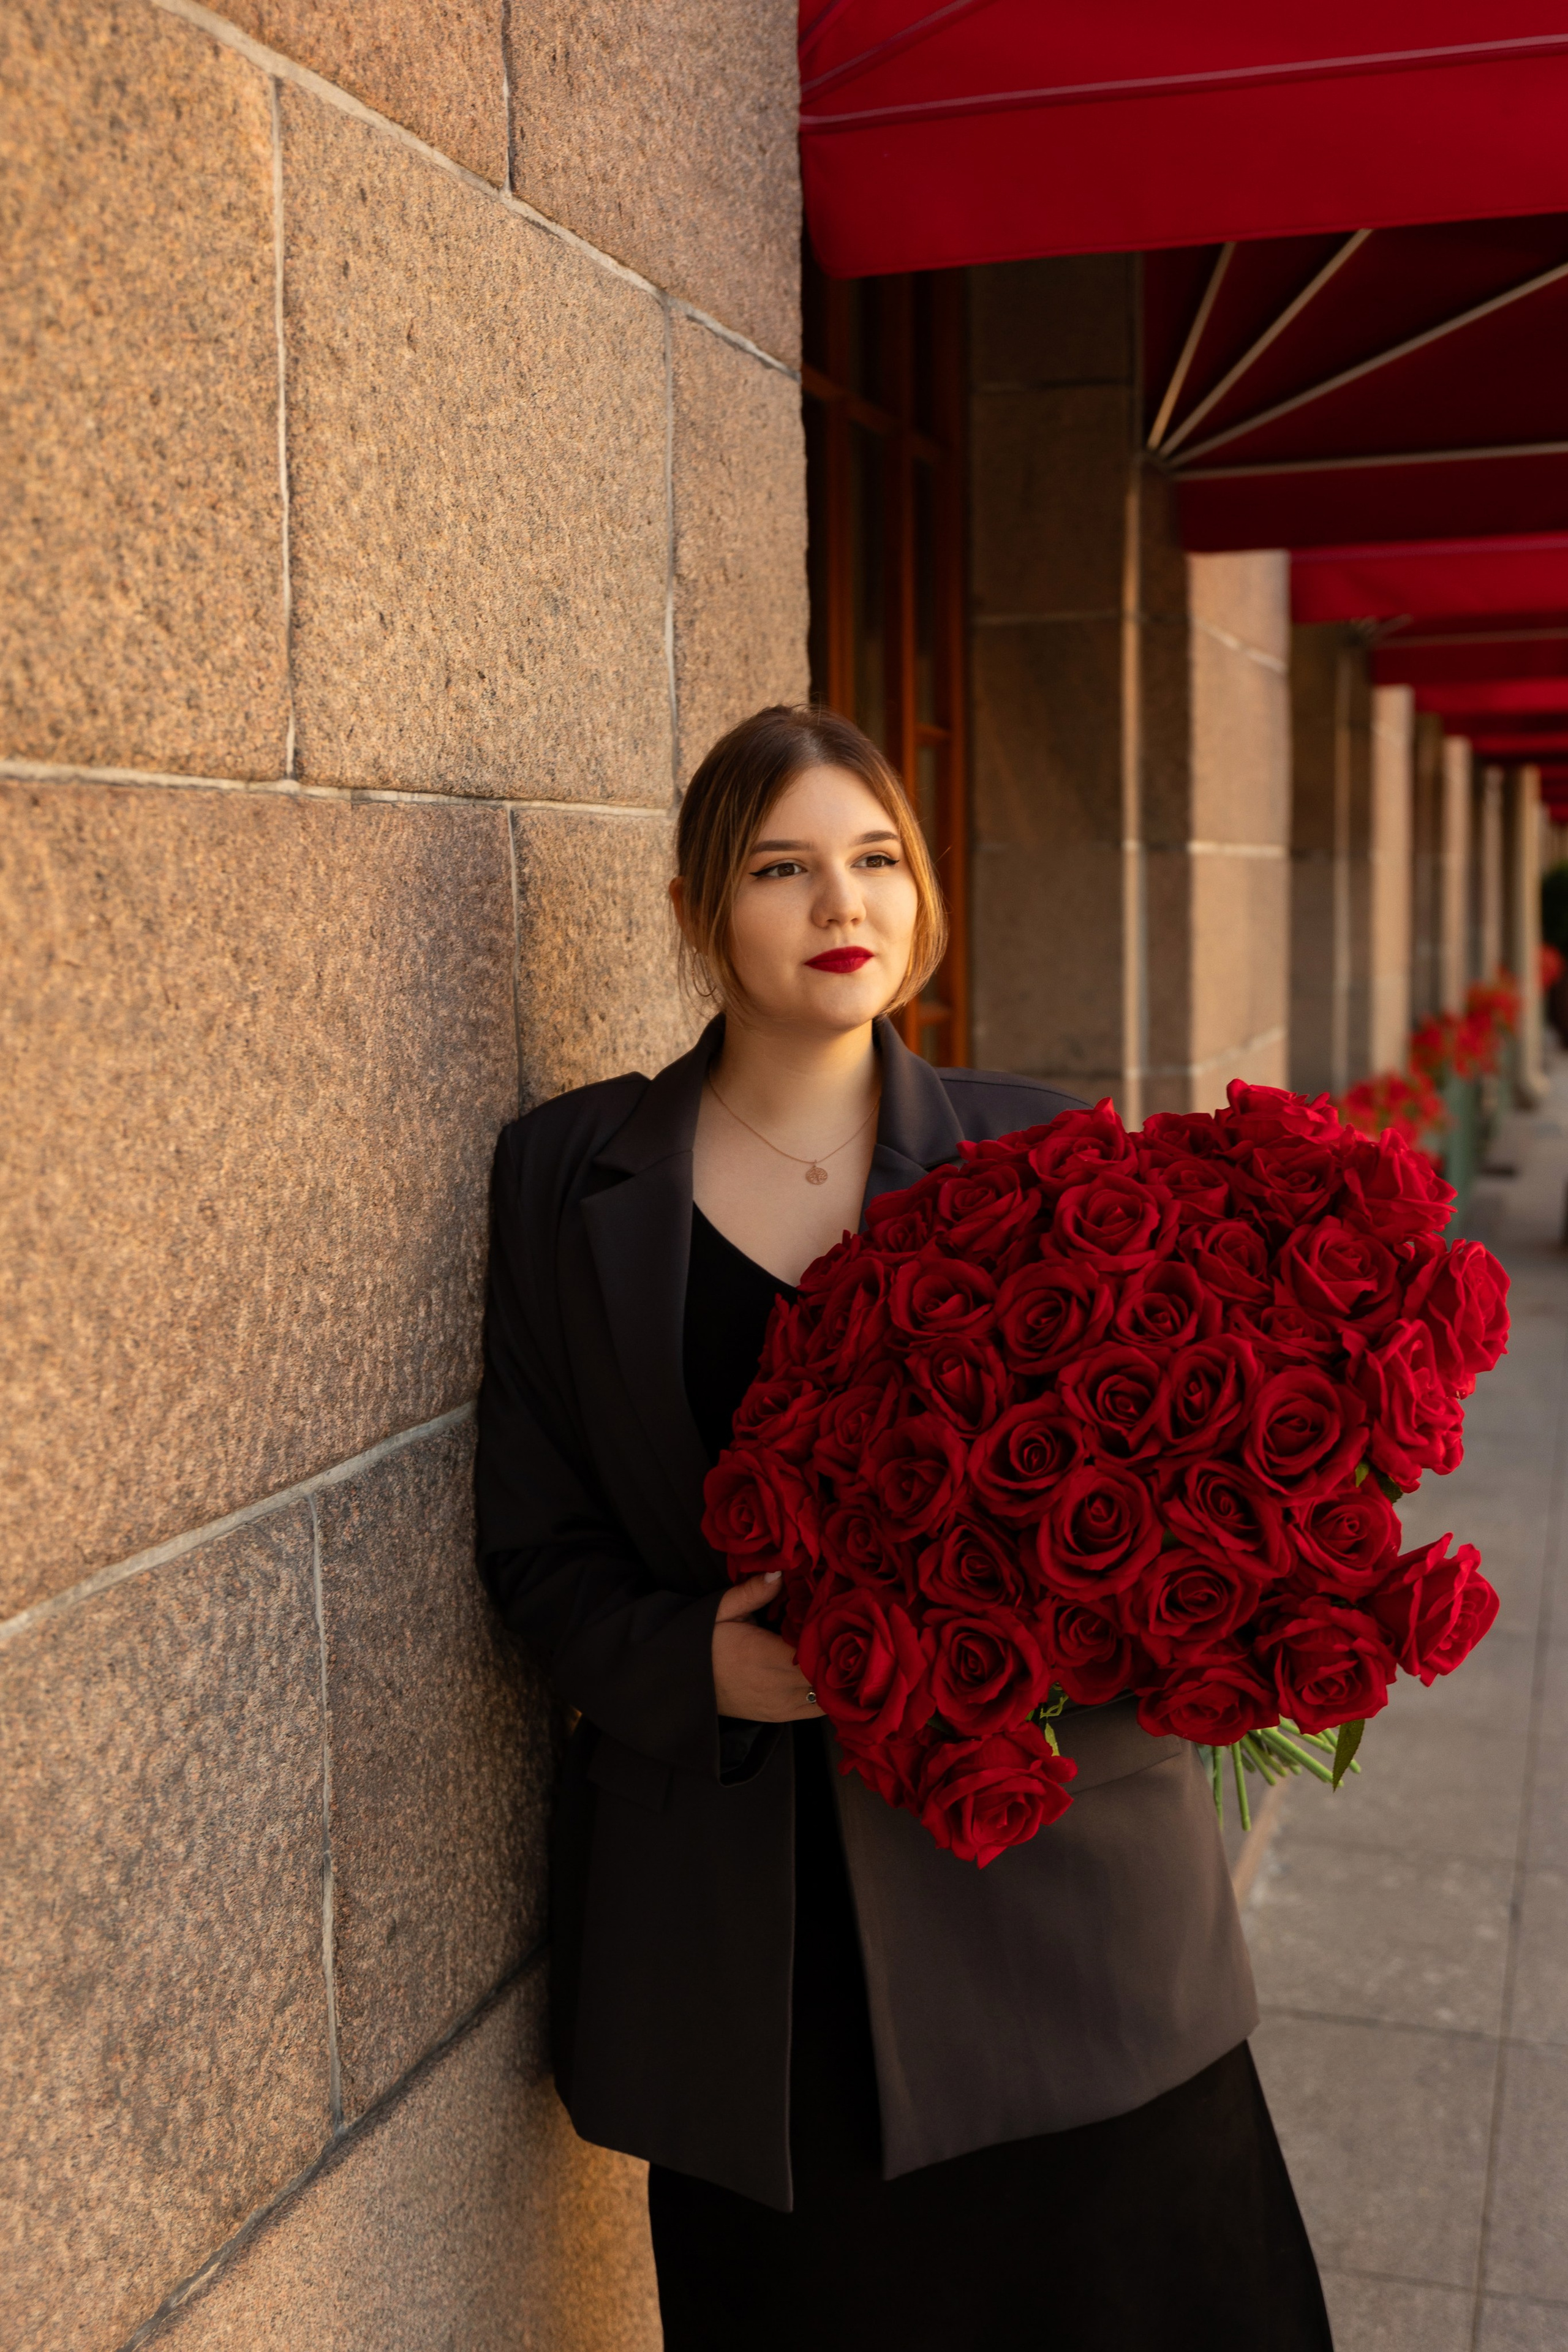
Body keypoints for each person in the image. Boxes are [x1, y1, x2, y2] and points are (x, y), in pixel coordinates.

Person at [476, 706, 1333, 2351]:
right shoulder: (565, 1179)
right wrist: (695, 1666)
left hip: (1061, 1911)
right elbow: (532, 1541)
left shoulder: (1048, 1157)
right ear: (693, 910)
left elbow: (1181, 1519)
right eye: (782, 868)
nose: (838, 903)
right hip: (751, 1958)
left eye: (875, 860)